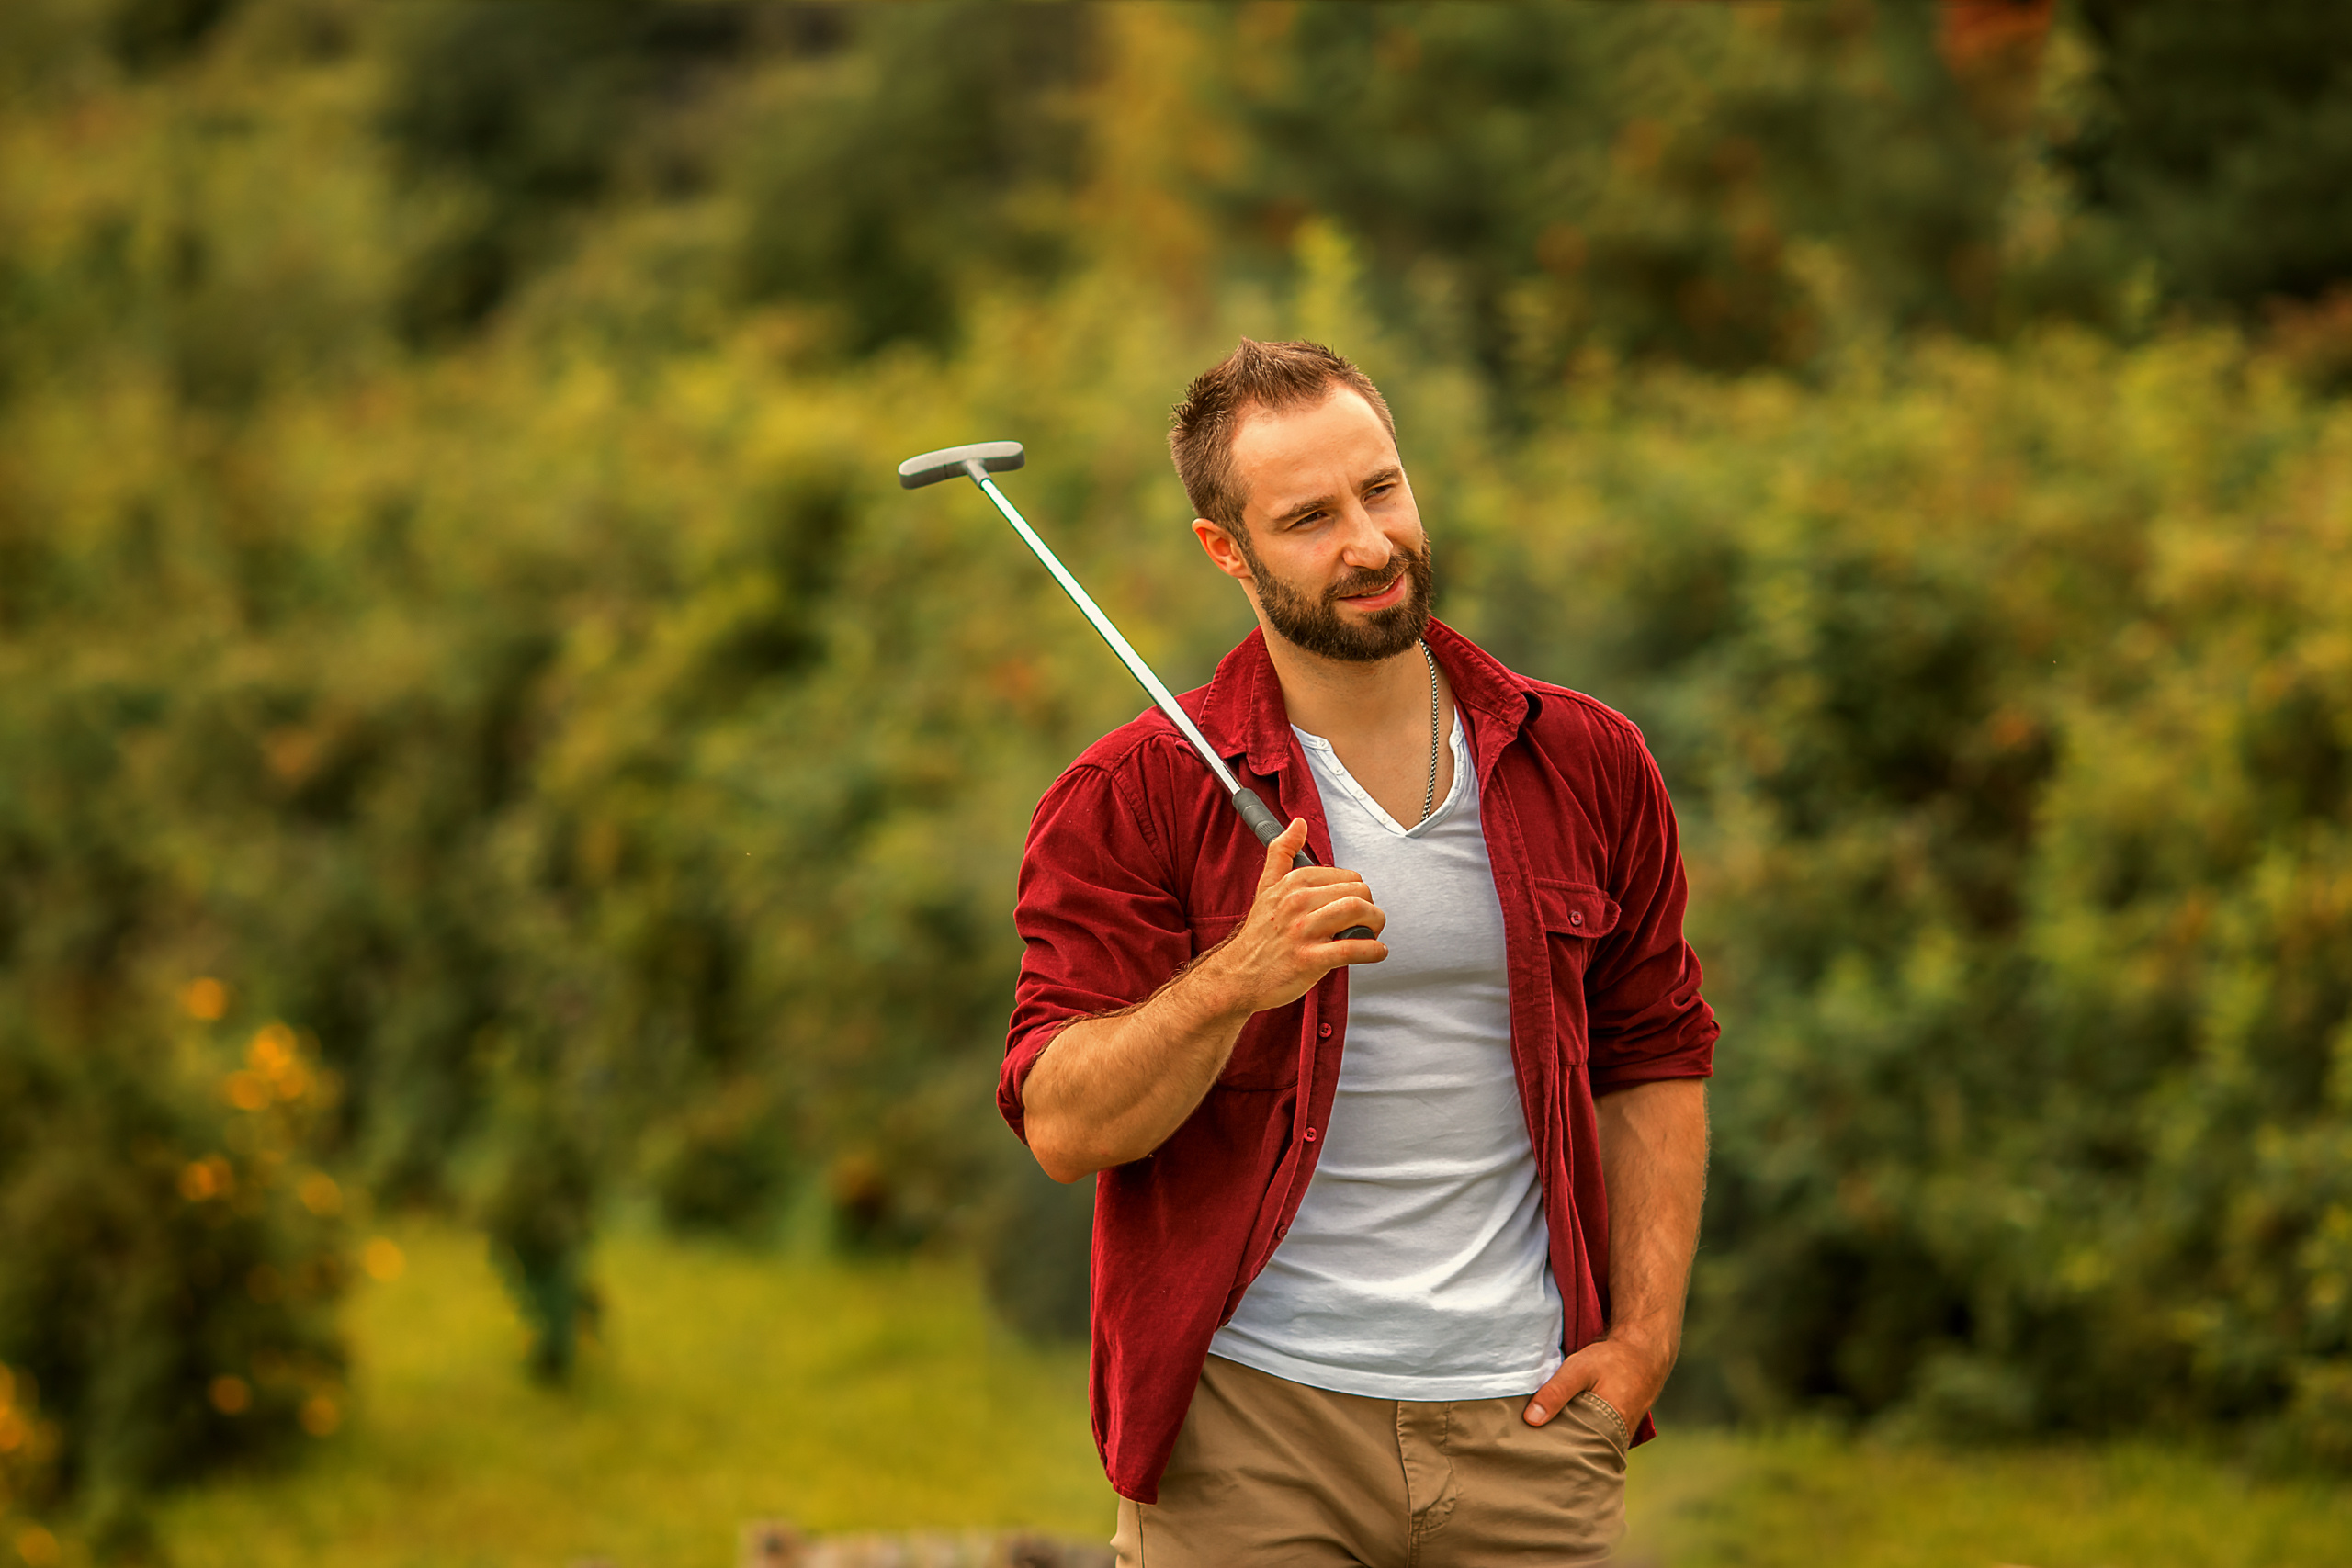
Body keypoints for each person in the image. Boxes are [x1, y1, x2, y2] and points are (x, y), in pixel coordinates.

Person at [1001, 339, 1716, 1565]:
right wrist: (1236, 975)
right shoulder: (1132, 797)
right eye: (1310, 518)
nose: (1372, 546)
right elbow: (1065, 1127)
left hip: (1530, 1423)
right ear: (1224, 550)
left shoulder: (1586, 761)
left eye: (1382, 490)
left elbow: (1653, 1054)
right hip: (1251, 1432)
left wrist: (1642, 1343)